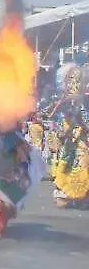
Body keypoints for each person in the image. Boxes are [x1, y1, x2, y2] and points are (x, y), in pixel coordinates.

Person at [50, 65, 89, 208]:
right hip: (69, 140)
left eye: (79, 81)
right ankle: (64, 193)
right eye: (73, 80)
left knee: (83, 164)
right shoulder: (64, 102)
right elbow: (58, 121)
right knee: (66, 164)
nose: (76, 84)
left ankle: (82, 196)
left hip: (82, 140)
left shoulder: (85, 101)